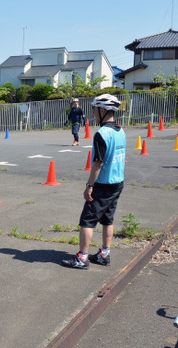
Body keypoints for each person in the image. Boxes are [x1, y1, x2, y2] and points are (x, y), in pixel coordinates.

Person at [63, 94, 125, 270]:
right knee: (108, 219)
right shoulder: (121, 131)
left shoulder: (101, 134)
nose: (93, 114)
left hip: (103, 184)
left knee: (87, 220)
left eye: (95, 110)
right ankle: (105, 254)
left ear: (103, 110)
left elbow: (98, 163)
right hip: (117, 182)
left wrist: (89, 186)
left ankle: (82, 258)